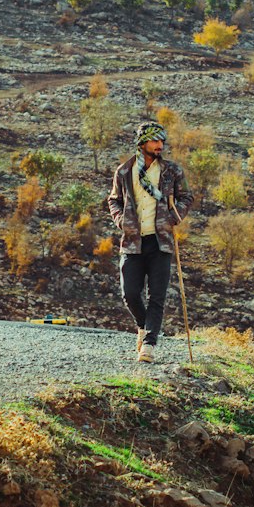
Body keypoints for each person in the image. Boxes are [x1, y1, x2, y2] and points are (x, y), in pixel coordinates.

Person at [107, 120, 192, 362]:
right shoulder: (124, 172)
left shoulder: (172, 171)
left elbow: (186, 196)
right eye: (155, 140)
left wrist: (174, 217)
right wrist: (121, 220)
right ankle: (144, 327)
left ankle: (149, 345)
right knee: (130, 293)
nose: (160, 145)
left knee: (157, 296)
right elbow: (113, 200)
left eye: (162, 141)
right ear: (142, 142)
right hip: (133, 241)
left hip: (161, 241)